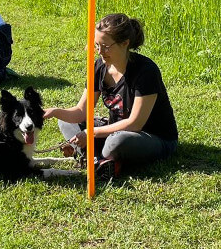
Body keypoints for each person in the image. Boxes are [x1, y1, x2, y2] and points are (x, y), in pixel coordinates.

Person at [44, 13, 178, 180]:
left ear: (124, 43)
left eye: (106, 46)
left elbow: (135, 123)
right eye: (96, 45)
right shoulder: (99, 66)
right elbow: (81, 110)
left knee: (116, 142)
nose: (100, 51)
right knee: (66, 121)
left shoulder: (146, 71)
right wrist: (54, 111)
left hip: (150, 136)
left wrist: (92, 133)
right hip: (115, 129)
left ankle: (97, 156)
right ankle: (101, 160)